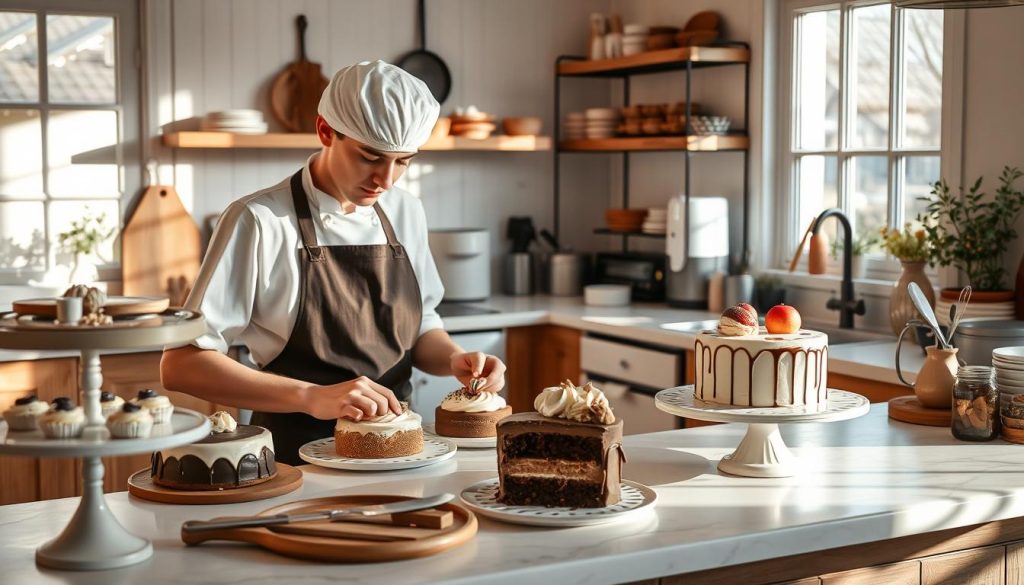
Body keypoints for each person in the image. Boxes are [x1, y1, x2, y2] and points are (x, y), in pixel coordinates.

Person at [161, 60, 506, 464]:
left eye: (404, 161)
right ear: (325, 130)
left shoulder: (404, 210)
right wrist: (311, 396)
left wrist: (453, 359)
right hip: (295, 462)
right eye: (370, 156)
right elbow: (181, 364)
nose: (387, 180)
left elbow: (422, 324)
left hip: (400, 455)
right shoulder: (260, 220)